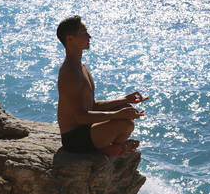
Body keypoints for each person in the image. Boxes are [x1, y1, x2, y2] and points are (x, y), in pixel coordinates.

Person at [56, 15, 148, 156]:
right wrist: (116, 115)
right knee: (124, 123)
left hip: (87, 128)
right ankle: (109, 148)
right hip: (74, 138)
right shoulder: (70, 73)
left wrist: (124, 100)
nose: (89, 36)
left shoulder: (82, 67)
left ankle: (110, 146)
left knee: (127, 109)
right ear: (70, 39)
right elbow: (80, 117)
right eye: (84, 33)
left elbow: (91, 106)